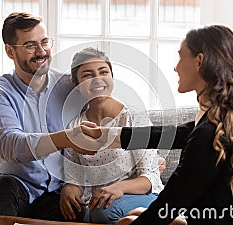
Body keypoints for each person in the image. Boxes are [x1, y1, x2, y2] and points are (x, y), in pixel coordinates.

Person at [81, 25, 233, 225]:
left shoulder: (208, 134)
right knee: (134, 215)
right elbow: (174, 133)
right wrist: (106, 136)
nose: (176, 67)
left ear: (199, 61)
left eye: (181, 56)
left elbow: (171, 203)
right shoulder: (225, 119)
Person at [0, 12, 96, 221]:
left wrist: (73, 184)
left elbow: (104, 114)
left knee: (80, 214)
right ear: (9, 51)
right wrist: (67, 137)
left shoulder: (68, 85)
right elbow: (10, 146)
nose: (41, 52)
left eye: (44, 42)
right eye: (30, 46)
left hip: (58, 192)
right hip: (16, 185)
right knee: (1, 188)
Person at [59, 47, 164, 224]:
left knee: (102, 213)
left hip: (141, 196)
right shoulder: (75, 127)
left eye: (103, 72)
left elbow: (150, 177)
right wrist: (69, 190)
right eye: (87, 75)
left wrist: (118, 188)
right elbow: (74, 179)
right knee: (75, 214)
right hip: (102, 202)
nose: (97, 79)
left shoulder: (133, 118)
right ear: (75, 83)